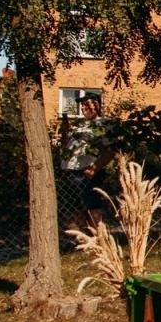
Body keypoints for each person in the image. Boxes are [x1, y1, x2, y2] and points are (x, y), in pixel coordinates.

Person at [58, 93, 115, 232]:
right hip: (71, 171)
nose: (84, 108)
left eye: (88, 104)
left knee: (92, 206)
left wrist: (95, 168)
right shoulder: (79, 125)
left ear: (97, 105)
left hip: (88, 172)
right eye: (82, 105)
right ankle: (81, 239)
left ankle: (96, 236)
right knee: (75, 207)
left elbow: (110, 150)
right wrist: (65, 131)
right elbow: (66, 145)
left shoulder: (103, 124)